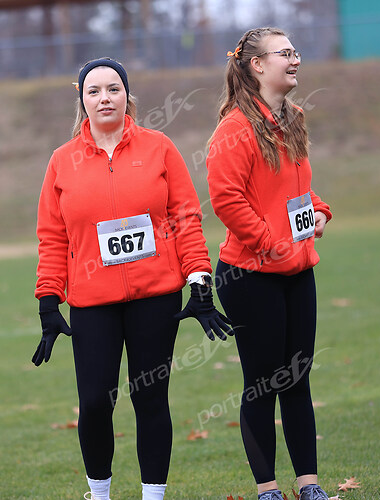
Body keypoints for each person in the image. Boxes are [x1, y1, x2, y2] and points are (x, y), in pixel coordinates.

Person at [32, 57, 233, 500]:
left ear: (127, 95)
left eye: (113, 89)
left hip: (155, 298)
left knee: (151, 399)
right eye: (94, 91)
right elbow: (52, 236)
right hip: (92, 303)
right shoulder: (62, 161)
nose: (104, 98)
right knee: (95, 403)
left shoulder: (159, 147)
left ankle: (153, 496)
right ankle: (100, 493)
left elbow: (186, 218)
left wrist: (200, 283)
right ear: (82, 101)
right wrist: (49, 300)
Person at [206, 28, 332, 500]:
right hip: (250, 276)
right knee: (261, 384)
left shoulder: (293, 117)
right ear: (257, 65)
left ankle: (309, 486)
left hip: (297, 271)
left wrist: (319, 210)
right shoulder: (234, 128)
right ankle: (268, 490)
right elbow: (227, 200)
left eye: (296, 52)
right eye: (285, 53)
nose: (295, 60)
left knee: (297, 379)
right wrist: (271, 244)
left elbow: (295, 187)